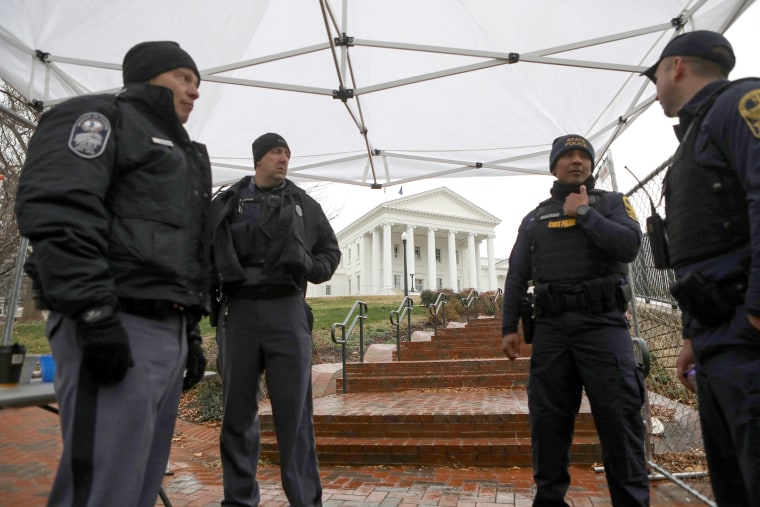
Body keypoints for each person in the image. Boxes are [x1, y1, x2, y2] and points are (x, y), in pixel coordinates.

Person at [14, 41, 210, 506]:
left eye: (198, 83)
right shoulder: (98, 118)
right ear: (148, 75)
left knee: (138, 485)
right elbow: (61, 213)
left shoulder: (187, 155)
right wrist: (94, 313)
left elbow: (180, 252)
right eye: (184, 77)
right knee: (104, 486)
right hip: (115, 320)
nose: (194, 92)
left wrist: (191, 331)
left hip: (167, 329)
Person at [641, 30, 760, 506]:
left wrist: (756, 313)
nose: (655, 90)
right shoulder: (695, 134)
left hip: (745, 335)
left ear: (677, 67)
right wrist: (691, 334)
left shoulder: (742, 104)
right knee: (733, 482)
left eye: (655, 77)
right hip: (716, 337)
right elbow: (703, 251)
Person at [500, 135, 649, 506]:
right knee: (548, 424)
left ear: (592, 165)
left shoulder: (611, 204)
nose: (577, 161)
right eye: (568, 155)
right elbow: (516, 276)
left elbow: (629, 245)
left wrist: (584, 213)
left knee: (620, 423)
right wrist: (508, 329)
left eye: (584, 155)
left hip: (604, 327)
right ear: (554, 166)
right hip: (551, 331)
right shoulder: (535, 218)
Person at [210, 132, 340, 507]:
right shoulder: (228, 202)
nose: (283, 158)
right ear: (258, 159)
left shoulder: (304, 205)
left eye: (286, 153)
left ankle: (305, 501)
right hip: (240, 313)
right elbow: (207, 256)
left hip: (288, 310)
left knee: (295, 417)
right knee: (237, 413)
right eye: (275, 152)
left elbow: (330, 254)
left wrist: (309, 265)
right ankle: (238, 501)